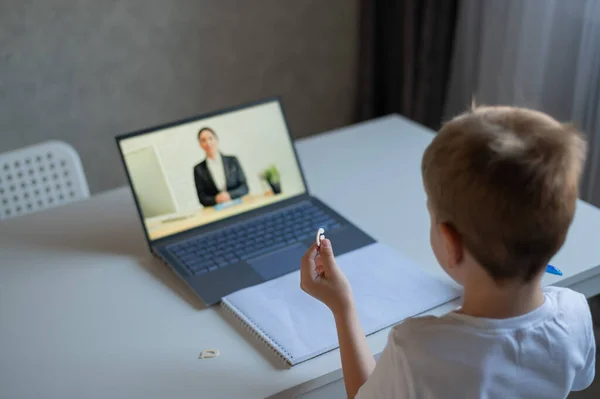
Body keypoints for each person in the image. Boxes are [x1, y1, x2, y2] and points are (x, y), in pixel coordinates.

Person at [300, 106, 595, 398]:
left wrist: (343, 306)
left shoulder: (418, 350)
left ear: (452, 244)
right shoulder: (575, 313)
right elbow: (581, 379)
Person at [193, 127, 248, 207]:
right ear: (200, 144)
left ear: (216, 139)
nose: (208, 143)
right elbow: (202, 197)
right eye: (203, 140)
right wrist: (216, 199)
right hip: (216, 211)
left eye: (210, 138)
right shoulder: (198, 169)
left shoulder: (232, 161)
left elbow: (244, 187)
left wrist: (229, 195)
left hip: (239, 206)